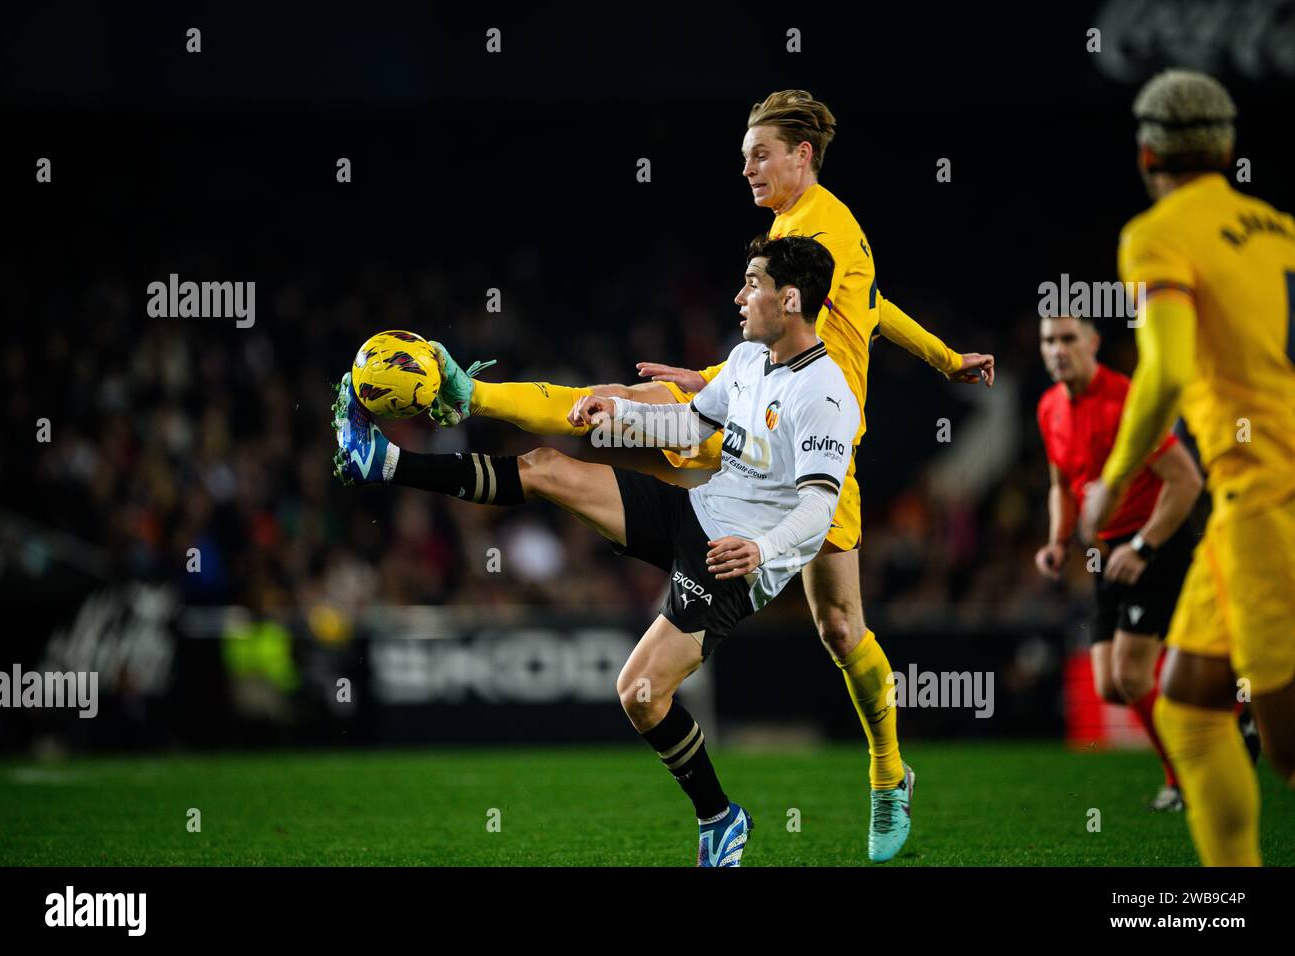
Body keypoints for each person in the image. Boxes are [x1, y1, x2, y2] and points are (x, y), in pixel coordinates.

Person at [424, 91, 997, 861]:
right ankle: (472, 394)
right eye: (743, 158)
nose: (748, 169)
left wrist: (705, 377)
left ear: (804, 156)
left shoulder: (814, 235)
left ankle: (887, 774)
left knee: (839, 626)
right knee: (629, 412)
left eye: (761, 154)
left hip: (806, 445)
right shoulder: (810, 229)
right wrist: (944, 357)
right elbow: (871, 304)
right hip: (757, 440)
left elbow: (798, 345)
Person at [334, 235, 861, 867]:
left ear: (792, 298)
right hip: (695, 509)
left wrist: (761, 547)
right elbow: (694, 425)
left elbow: (818, 508)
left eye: (753, 282)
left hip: (728, 559)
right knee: (546, 467)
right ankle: (384, 461)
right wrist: (619, 415)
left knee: (639, 694)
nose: (740, 294)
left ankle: (720, 818)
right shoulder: (750, 358)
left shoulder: (826, 395)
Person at [1080, 70, 1295, 866]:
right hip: (1245, 508)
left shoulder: (1158, 233)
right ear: (1228, 148)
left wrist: (1113, 478)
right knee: (1192, 708)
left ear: (1147, 153)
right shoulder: (1278, 228)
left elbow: (1165, 370)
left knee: (1287, 750)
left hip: (1268, 499)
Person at [1035, 313, 1202, 810]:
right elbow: (1062, 485)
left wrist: (1145, 546)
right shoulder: (1050, 407)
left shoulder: (1128, 401)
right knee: (1110, 684)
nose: (1058, 350)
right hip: (1106, 552)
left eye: (1068, 339)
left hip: (1156, 542)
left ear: (1093, 343)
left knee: (1132, 675)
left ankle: (1186, 778)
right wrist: (1058, 542)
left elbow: (1186, 481)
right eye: (1049, 341)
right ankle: (1230, 718)